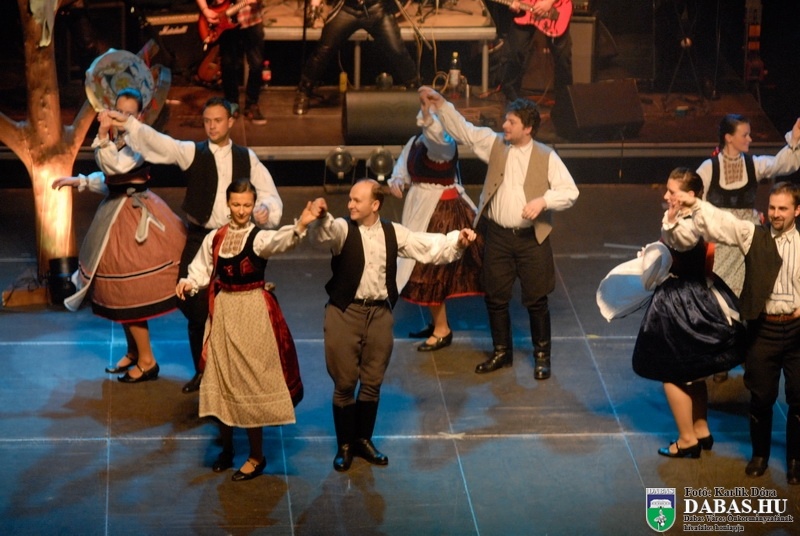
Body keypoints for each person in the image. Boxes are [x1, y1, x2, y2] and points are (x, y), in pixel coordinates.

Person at [108, 96, 283, 393]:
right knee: (191, 299)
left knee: (242, 306)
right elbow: (162, 144)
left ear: (230, 121)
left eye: (218, 121)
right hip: (201, 236)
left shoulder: (246, 158)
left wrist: (265, 209)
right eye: (207, 121)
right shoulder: (194, 152)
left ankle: (238, 372)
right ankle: (203, 371)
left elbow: (268, 194)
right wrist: (130, 124)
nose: (212, 126)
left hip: (236, 239)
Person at [308, 179, 476, 471]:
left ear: (375, 204)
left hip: (379, 315)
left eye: (356, 200)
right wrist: (321, 218)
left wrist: (457, 241)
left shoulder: (392, 232)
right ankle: (345, 445)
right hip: (345, 312)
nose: (350, 204)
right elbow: (325, 234)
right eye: (350, 199)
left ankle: (363, 440)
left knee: (372, 382)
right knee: (345, 383)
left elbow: (428, 246)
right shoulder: (343, 229)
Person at [419, 85, 579, 379]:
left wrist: (544, 201)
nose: (504, 125)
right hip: (499, 237)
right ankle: (502, 352)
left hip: (531, 240)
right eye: (506, 120)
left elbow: (570, 191)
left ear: (527, 128)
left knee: (537, 300)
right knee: (495, 297)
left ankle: (542, 356)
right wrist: (442, 105)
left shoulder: (546, 156)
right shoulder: (495, 144)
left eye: (511, 122)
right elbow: (465, 131)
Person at [176, 179, 311, 481]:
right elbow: (200, 269)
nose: (241, 210)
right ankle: (227, 449)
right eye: (236, 204)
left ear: (253, 205)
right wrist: (188, 282)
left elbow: (281, 241)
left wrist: (301, 225)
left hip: (252, 312)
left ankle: (256, 456)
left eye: (246, 205)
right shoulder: (216, 237)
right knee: (222, 379)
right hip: (224, 313)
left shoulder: (257, 238)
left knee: (250, 381)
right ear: (228, 203)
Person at [52, 88, 186, 383]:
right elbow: (111, 180)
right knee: (119, 291)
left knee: (129, 293)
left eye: (128, 113)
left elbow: (114, 166)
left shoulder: (140, 141)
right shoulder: (120, 140)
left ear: (139, 116)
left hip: (134, 219)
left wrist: (102, 134)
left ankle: (148, 360)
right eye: (118, 111)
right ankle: (135, 351)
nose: (122, 117)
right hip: (115, 214)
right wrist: (79, 181)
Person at [675, 180, 800, 484]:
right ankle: (760, 456)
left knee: (799, 400)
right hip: (763, 329)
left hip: (797, 332)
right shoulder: (754, 236)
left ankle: (796, 460)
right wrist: (696, 205)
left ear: (797, 210)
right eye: (772, 207)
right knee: (760, 397)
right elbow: (724, 223)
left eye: (783, 208)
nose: (776, 213)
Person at [636, 168, 744, 458]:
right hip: (696, 295)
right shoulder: (692, 217)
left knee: (672, 372)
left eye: (672, 192)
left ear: (690, 195)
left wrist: (670, 222)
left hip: (683, 300)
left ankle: (687, 439)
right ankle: (701, 429)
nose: (666, 195)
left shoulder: (688, 223)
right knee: (694, 373)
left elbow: (682, 241)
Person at [698, 114, 800, 382]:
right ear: (729, 138)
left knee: (750, 297)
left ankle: (748, 356)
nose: (750, 139)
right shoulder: (709, 168)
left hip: (747, 240)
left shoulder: (753, 164)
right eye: (745, 134)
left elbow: (781, 163)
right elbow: (695, 199)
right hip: (721, 240)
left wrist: (794, 139)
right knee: (720, 300)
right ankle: (720, 360)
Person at [387, 98, 483, 351]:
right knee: (423, 263)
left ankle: (442, 329)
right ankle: (437, 323)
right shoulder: (415, 142)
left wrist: (431, 117)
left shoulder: (445, 144)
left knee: (429, 269)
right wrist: (397, 181)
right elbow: (402, 168)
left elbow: (437, 139)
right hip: (420, 206)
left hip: (441, 210)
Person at [292, 0, 419, 115]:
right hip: (347, 9)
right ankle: (304, 91)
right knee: (324, 50)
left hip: (376, 9)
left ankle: (416, 89)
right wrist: (315, 4)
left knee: (398, 50)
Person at [196, 0, 267, 124]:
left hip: (251, 19)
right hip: (224, 20)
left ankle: (252, 104)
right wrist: (205, 9)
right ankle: (231, 103)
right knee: (228, 64)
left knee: (256, 64)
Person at [496, 0, 572, 105]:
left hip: (555, 7)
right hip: (526, 8)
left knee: (563, 58)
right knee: (514, 53)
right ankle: (513, 102)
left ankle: (565, 104)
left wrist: (549, 2)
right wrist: (514, 3)